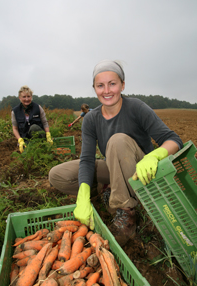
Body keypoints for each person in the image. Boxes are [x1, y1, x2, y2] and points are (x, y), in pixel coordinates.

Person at [49, 60, 183, 246]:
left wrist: (154, 156)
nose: (107, 90)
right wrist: (83, 195)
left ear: (122, 85)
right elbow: (87, 160)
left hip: (142, 171)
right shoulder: (91, 119)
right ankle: (109, 191)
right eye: (100, 85)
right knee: (57, 175)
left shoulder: (136, 107)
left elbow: (174, 140)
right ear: (94, 88)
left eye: (112, 84)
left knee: (117, 140)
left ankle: (126, 213)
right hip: (116, 167)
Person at [11, 85, 53, 153]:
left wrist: (48, 134)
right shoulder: (15, 111)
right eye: (24, 97)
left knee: (34, 127)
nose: (27, 99)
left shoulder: (37, 107)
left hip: (39, 136)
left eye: (28, 96)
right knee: (27, 152)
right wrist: (20, 140)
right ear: (20, 98)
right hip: (25, 138)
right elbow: (15, 128)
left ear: (31, 97)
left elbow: (45, 122)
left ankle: (41, 144)